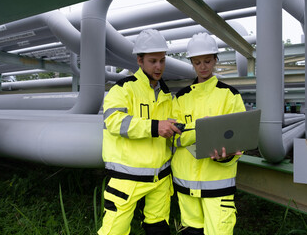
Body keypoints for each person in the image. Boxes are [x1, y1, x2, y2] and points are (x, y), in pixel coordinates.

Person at [98, 29, 181, 235]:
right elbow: (114, 122)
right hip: (127, 179)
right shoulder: (123, 89)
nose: (159, 66)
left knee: (159, 229)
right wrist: (155, 126)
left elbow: (169, 130)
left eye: (162, 60)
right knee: (113, 231)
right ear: (139, 60)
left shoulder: (165, 94)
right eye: (153, 61)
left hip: (160, 178)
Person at [171, 33, 246, 235]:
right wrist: (203, 128)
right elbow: (174, 136)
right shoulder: (180, 98)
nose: (202, 66)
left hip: (217, 184)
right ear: (192, 63)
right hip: (185, 182)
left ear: (215, 60)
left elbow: (240, 138)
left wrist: (227, 155)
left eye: (207, 61)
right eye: (197, 62)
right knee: (190, 232)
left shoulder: (230, 95)